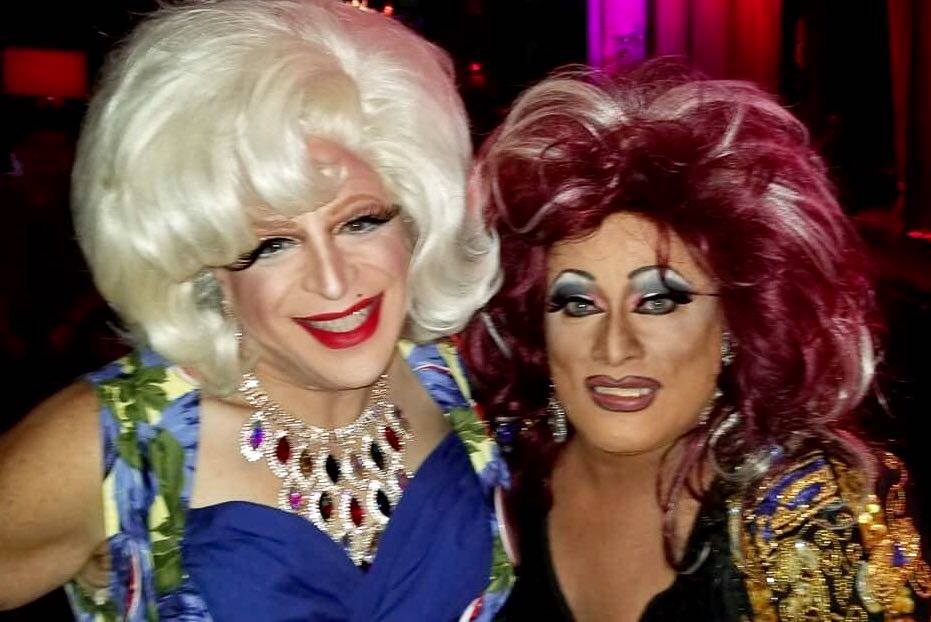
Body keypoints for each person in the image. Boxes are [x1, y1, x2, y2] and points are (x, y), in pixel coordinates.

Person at [0, 1, 515, 620]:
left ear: (413, 216)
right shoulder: (116, 442)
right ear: (204, 262)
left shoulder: (460, 379)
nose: (334, 282)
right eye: (272, 244)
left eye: (360, 221)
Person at [463, 60, 931, 621]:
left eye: (660, 301)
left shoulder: (806, 513)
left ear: (735, 321)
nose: (615, 347)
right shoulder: (495, 480)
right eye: (578, 304)